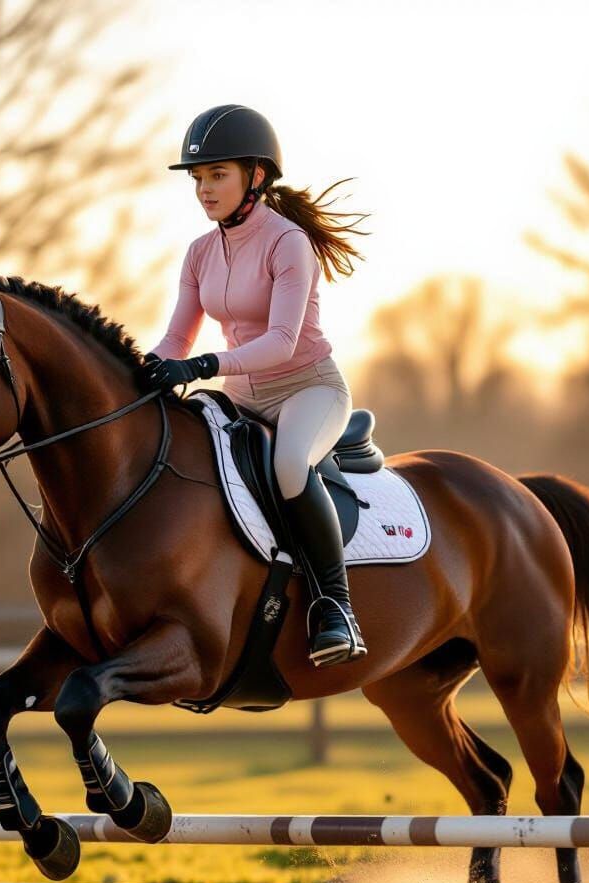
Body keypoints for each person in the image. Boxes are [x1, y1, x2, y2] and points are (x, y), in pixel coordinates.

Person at [142, 104, 370, 668]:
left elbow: (282, 344)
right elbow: (177, 335)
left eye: (217, 174)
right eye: (198, 177)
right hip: (242, 394)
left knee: (290, 465)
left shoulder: (288, 242)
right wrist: (140, 371)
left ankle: (335, 608)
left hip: (307, 390)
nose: (203, 188)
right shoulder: (199, 252)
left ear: (257, 177)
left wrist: (198, 368)